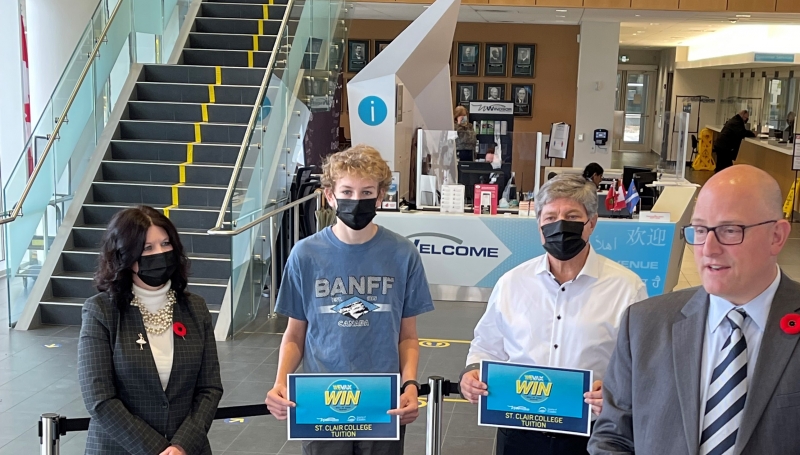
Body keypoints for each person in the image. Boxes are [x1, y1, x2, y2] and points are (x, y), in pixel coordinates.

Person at [588, 165, 798, 455]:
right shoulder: (644, 324)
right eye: (700, 230)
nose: (708, 248)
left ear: (777, 236)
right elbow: (612, 438)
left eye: (729, 230)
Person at [460, 174, 648, 455]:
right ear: (539, 227)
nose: (560, 226)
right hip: (519, 433)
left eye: (572, 216)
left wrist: (614, 393)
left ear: (591, 224)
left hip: (593, 436)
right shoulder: (511, 283)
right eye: (550, 218)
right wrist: (470, 375)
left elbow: (644, 369)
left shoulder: (627, 289)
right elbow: (485, 348)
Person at [265, 144, 435, 455]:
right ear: (329, 195)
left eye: (367, 193)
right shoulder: (305, 255)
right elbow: (294, 335)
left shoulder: (403, 254)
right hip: (322, 396)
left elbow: (407, 336)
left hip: (382, 398)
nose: (356, 201)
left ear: (381, 196)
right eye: (347, 191)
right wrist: (281, 382)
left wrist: (410, 385)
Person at [78, 206, 222, 455]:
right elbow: (99, 397)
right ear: (125, 256)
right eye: (148, 248)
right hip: (119, 448)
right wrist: (156, 449)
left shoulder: (195, 308)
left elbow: (210, 388)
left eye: (166, 244)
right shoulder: (101, 311)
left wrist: (181, 445)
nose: (161, 253)